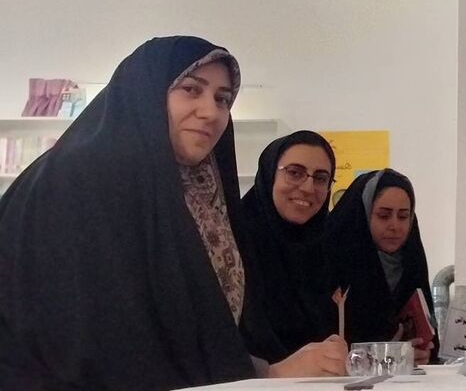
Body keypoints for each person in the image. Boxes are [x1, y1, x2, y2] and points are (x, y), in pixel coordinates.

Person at [0, 36, 347, 390]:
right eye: (191, 89)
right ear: (147, 93)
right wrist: (264, 373)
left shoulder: (201, 190)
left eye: (223, 99)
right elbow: (102, 335)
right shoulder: (80, 179)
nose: (211, 111)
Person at [238, 131, 339, 363]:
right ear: (269, 174)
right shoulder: (234, 241)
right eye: (294, 173)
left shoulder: (328, 247)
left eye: (321, 178)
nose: (308, 187)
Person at [324, 168, 437, 364]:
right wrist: (389, 358)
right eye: (384, 216)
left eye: (403, 216)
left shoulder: (411, 265)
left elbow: (430, 342)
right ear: (364, 214)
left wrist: (423, 355)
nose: (395, 226)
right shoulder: (331, 264)